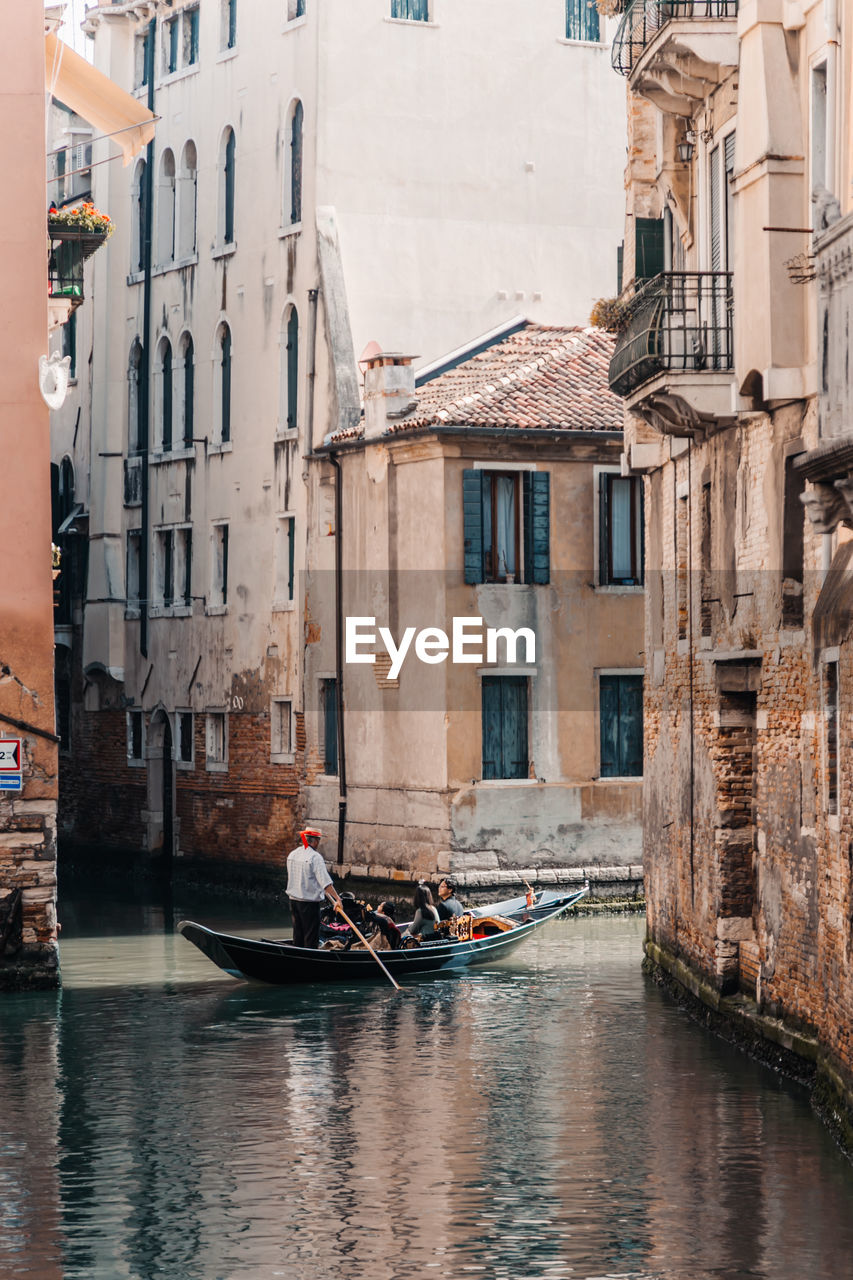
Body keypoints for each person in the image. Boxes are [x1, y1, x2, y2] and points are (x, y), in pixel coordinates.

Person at [286, 828, 343, 949]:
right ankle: (309, 960)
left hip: (293, 901)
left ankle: (297, 956)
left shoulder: (293, 854)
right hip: (309, 904)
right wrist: (338, 899)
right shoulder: (315, 857)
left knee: (298, 934)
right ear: (316, 841)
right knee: (311, 936)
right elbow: (326, 883)